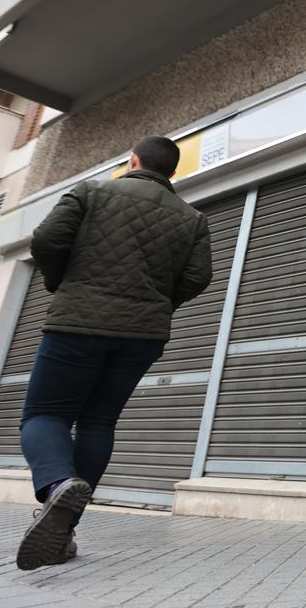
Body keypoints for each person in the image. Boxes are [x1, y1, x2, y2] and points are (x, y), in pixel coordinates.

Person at [16, 136, 213, 571]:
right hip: (142, 335)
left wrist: (62, 283)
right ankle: (63, 531)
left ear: (133, 161)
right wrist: (158, 303)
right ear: (172, 173)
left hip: (76, 322)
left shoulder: (92, 191)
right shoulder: (191, 219)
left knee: (44, 415)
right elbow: (198, 278)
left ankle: (56, 485)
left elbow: (47, 239)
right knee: (99, 421)